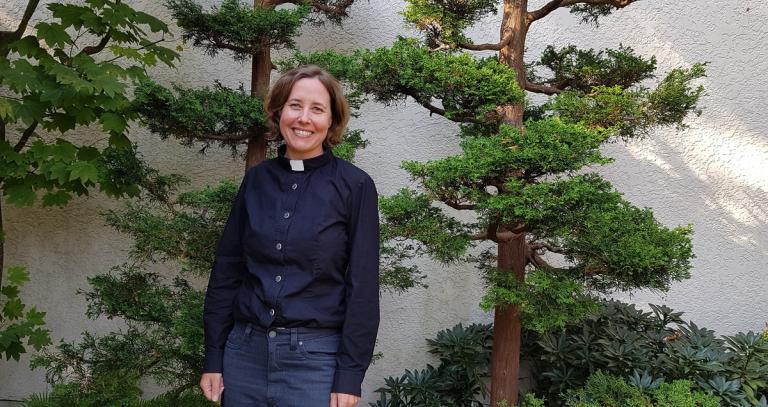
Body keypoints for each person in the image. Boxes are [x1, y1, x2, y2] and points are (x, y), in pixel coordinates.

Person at [199, 65, 380, 407]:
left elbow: (363, 288)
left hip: (315, 363)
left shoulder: (355, 186)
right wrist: (214, 357)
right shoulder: (256, 181)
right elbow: (227, 271)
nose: (304, 119)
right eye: (295, 105)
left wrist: (349, 376)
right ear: (279, 111)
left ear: (332, 120)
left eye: (317, 109)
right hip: (243, 358)